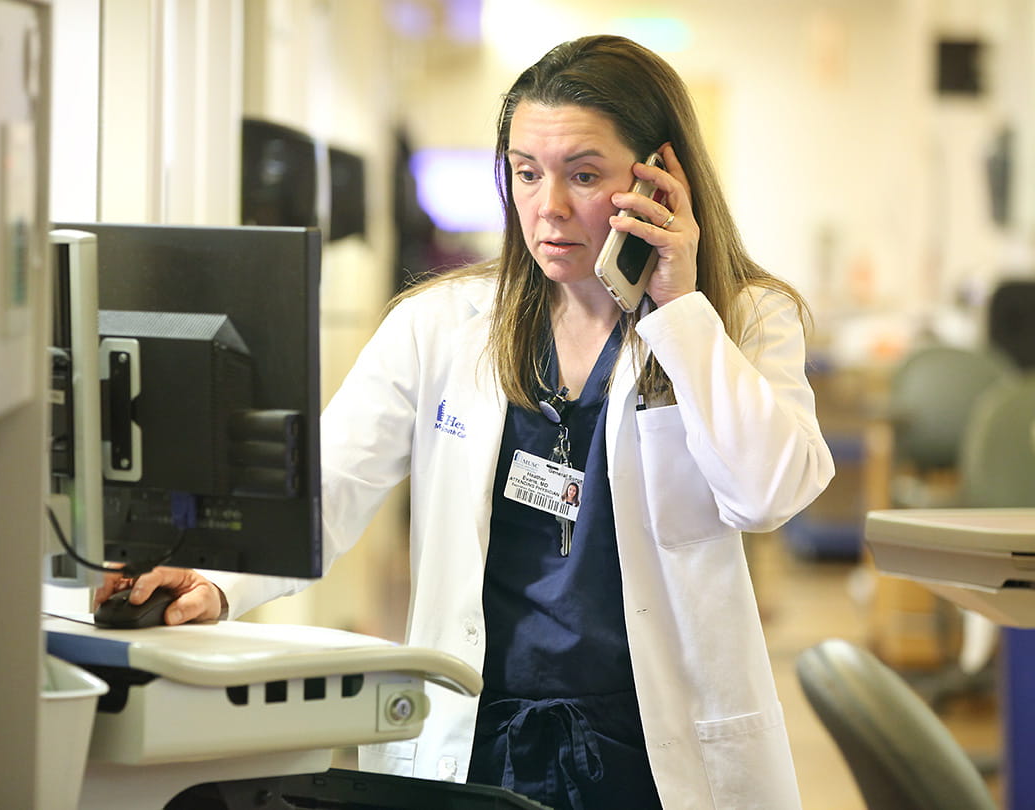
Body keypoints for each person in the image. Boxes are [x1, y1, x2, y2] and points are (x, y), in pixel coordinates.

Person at [95, 34, 834, 810]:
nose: (547, 207)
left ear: (659, 180)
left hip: (660, 743)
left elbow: (767, 494)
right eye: (525, 172)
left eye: (583, 175)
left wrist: (681, 313)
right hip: (481, 730)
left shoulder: (744, 319)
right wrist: (213, 578)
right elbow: (327, 484)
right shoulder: (442, 323)